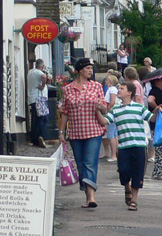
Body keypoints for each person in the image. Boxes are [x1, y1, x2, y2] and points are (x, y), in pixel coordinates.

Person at [59, 58, 109, 208]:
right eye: (87, 68)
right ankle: (87, 195)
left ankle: (92, 197)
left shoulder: (96, 86)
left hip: (93, 130)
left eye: (91, 68)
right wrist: (62, 131)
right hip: (75, 132)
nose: (90, 71)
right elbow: (65, 112)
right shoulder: (68, 89)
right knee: (80, 164)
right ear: (80, 70)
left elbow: (105, 108)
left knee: (90, 163)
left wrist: (101, 106)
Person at [110, 82, 149, 210]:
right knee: (123, 170)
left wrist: (157, 110)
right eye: (118, 88)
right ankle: (127, 188)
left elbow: (151, 118)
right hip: (123, 147)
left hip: (139, 145)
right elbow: (104, 121)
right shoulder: (115, 110)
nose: (118, 90)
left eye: (121, 88)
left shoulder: (139, 108)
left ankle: (134, 200)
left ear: (129, 92)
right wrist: (98, 110)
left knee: (138, 172)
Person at [27, 58, 50, 147]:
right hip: (39, 99)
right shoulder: (38, 72)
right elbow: (44, 77)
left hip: (32, 98)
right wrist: (43, 85)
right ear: (42, 66)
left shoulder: (30, 72)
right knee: (43, 118)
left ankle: (34, 138)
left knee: (35, 119)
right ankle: (40, 137)